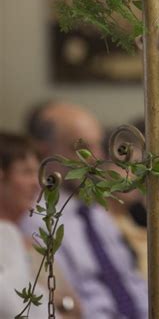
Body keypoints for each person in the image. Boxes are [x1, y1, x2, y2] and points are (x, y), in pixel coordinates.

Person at [23, 100, 159, 319]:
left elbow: (129, 282)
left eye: (97, 145)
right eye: (81, 148)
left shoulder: (95, 212)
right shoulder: (37, 219)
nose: (96, 157)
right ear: (45, 151)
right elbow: (65, 302)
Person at [0, 131, 81, 318]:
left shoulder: (32, 243)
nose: (37, 184)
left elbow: (76, 307)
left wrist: (64, 303)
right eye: (26, 172)